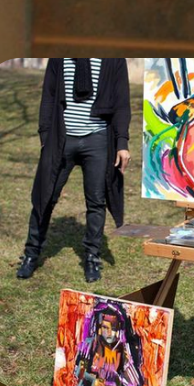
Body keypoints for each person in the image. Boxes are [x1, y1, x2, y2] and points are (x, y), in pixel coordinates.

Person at [19, 57, 131, 283]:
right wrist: (45, 136)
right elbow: (48, 96)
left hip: (98, 140)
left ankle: (91, 257)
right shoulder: (59, 57)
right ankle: (31, 254)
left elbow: (121, 102)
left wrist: (122, 143)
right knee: (45, 197)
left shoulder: (113, 59)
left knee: (96, 201)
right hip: (62, 139)